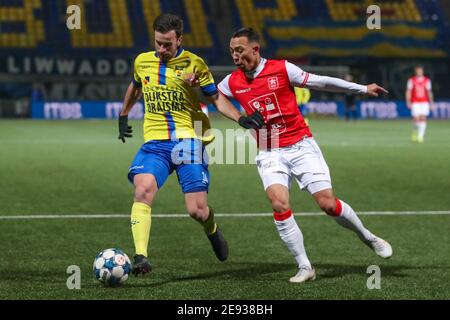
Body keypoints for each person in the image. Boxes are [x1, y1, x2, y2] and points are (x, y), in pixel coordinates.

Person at [216, 28, 392, 283]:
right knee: (279, 204)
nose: (235, 56)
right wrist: (240, 118)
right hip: (268, 149)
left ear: (255, 49)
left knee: (327, 204)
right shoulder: (232, 81)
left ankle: (368, 236)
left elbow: (321, 81)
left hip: (300, 145)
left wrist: (361, 89)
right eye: (232, 51)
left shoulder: (282, 69)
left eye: (239, 50)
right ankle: (305, 266)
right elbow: (217, 97)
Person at [118, 15, 264, 276]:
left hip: (188, 139)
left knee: (196, 210)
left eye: (167, 45)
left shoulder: (195, 64)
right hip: (156, 143)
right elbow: (135, 86)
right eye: (158, 43)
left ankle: (212, 229)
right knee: (143, 190)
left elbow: (216, 98)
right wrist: (123, 114)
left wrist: (241, 118)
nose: (162, 50)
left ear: (179, 40)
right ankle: (141, 256)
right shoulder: (142, 61)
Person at [406, 65, 434, 143]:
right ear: (416, 71)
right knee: (416, 119)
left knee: (423, 118)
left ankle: (420, 136)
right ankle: (415, 131)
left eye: (420, 70)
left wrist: (431, 103)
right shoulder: (411, 80)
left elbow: (429, 92)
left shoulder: (427, 80)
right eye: (418, 70)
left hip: (424, 102)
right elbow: (408, 91)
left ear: (422, 71)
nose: (419, 72)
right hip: (415, 102)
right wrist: (408, 101)